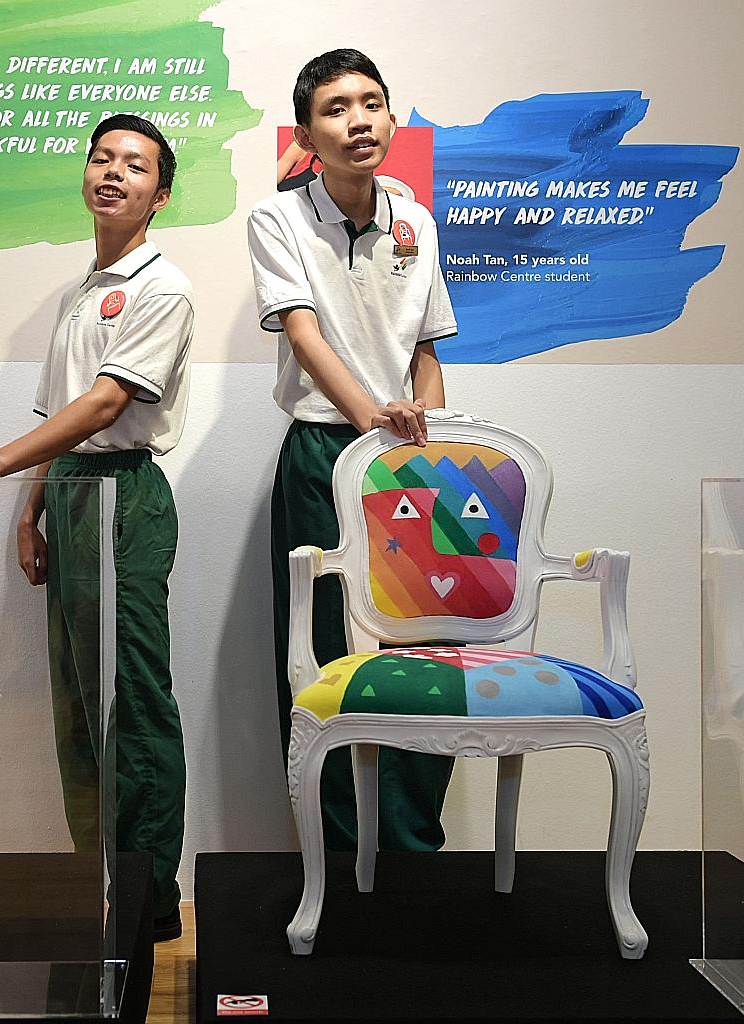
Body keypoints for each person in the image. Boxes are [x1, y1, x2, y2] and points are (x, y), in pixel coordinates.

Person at [0, 114, 192, 942]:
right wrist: (33, 505)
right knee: (78, 703)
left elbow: (108, 406)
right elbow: (66, 415)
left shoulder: (161, 286)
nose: (113, 173)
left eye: (134, 165)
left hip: (125, 499)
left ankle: (147, 898)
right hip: (72, 493)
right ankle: (96, 878)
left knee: (133, 702)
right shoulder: (81, 292)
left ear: (160, 194)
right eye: (101, 158)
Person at [247, 49, 459, 853]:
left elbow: (429, 350)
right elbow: (303, 332)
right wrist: (373, 422)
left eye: (371, 104)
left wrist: (418, 440)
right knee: (320, 658)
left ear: (391, 119)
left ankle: (412, 847)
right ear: (307, 132)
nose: (357, 121)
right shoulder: (278, 219)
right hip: (323, 455)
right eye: (336, 109)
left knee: (421, 649)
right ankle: (334, 851)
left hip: (410, 457)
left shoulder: (417, 222)